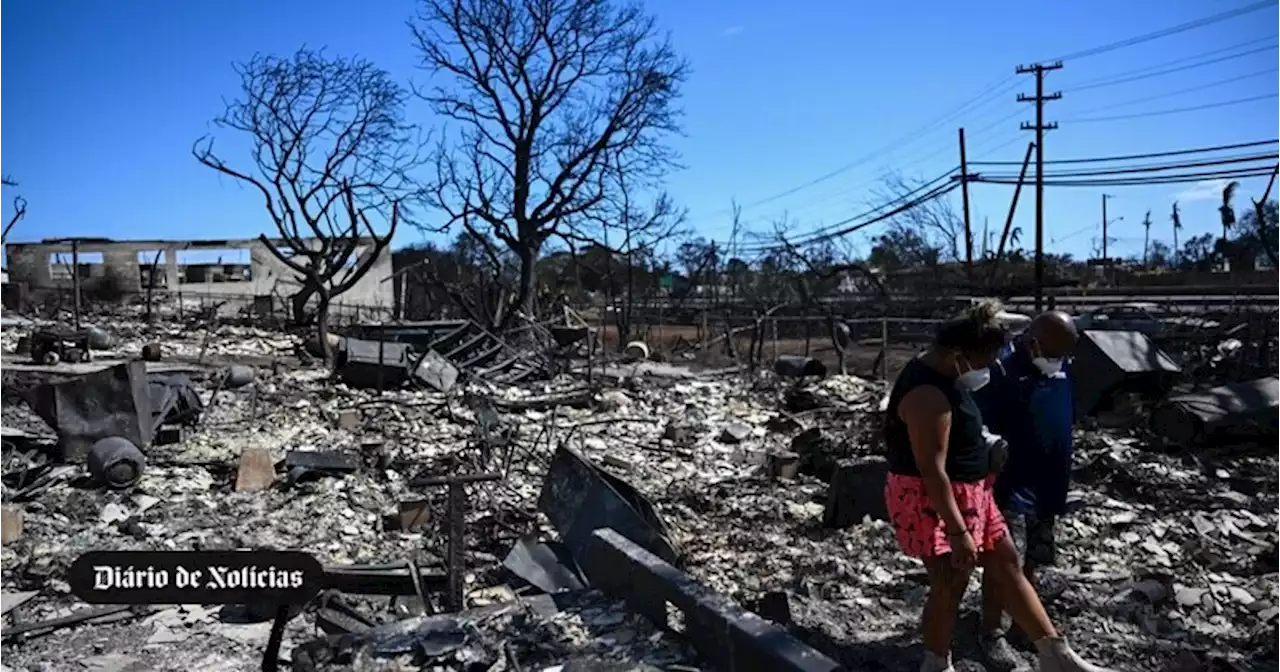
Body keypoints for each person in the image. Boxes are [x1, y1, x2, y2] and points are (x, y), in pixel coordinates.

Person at [883, 301, 1114, 672]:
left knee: (1007, 564)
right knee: (950, 582)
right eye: (987, 358)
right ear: (959, 355)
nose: (992, 366)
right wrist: (957, 531)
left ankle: (1056, 656)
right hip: (934, 499)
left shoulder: (950, 376)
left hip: (973, 492)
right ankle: (936, 663)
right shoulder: (927, 394)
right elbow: (932, 469)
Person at [973, 310, 1081, 671]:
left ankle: (1024, 625)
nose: (1058, 362)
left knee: (1033, 559)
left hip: (1049, 483)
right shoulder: (1002, 372)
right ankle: (991, 632)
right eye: (1053, 354)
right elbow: (981, 426)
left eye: (1064, 355)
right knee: (1005, 563)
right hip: (1011, 486)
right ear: (1034, 342)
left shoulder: (1061, 368)